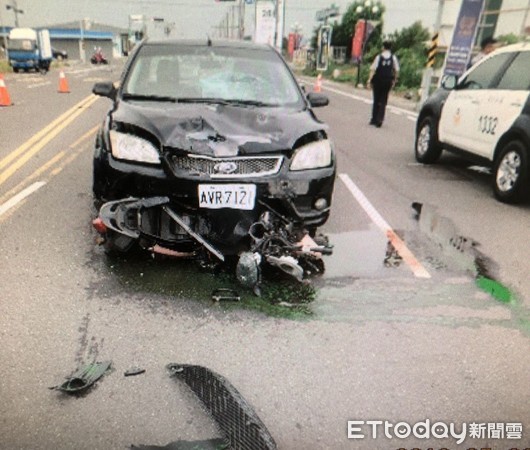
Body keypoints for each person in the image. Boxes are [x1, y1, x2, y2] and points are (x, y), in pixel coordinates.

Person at [367, 41, 399, 128]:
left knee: (376, 100)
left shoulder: (379, 57)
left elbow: (373, 69)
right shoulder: (393, 58)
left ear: (383, 47)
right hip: (388, 81)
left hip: (378, 80)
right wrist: (395, 80)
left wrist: (369, 80)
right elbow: (396, 70)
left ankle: (374, 119)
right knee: (383, 101)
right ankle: (380, 119)